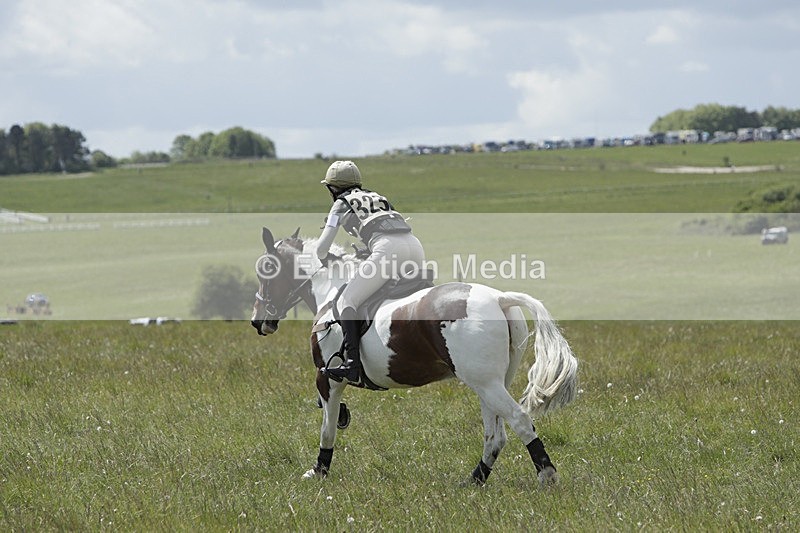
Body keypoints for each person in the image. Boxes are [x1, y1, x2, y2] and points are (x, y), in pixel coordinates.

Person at [316, 160, 425, 383]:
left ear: (332, 188)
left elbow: (321, 249)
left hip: (387, 248)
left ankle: (352, 365)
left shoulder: (340, 204)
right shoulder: (378, 197)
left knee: (346, 301)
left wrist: (326, 258)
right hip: (415, 246)